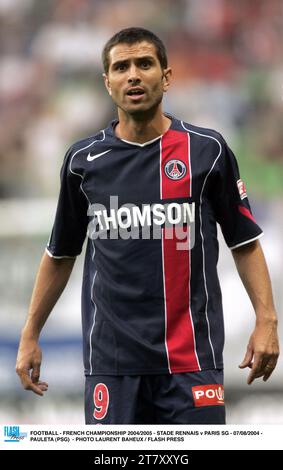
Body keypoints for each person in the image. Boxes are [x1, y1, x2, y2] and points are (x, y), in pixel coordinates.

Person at [16, 27, 279, 425]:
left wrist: (267, 320)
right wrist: (30, 333)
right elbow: (60, 254)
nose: (133, 75)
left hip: (192, 360)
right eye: (121, 67)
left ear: (167, 76)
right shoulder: (83, 162)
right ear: (108, 83)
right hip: (112, 364)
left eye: (144, 64)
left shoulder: (206, 151)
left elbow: (244, 243)